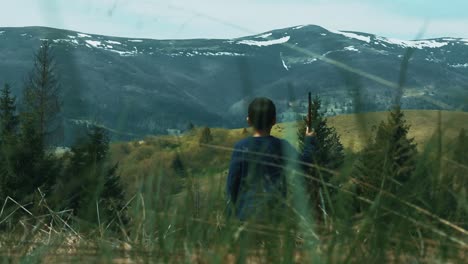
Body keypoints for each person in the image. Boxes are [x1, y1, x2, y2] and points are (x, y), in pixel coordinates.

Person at [226, 97, 316, 222]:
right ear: (274, 120)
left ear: (249, 121)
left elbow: (232, 184)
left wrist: (230, 216)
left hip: (245, 216)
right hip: (275, 215)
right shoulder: (281, 146)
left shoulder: (240, 147)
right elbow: (305, 163)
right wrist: (309, 139)